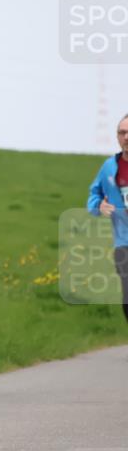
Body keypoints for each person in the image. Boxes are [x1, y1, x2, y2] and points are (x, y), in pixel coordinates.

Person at [86, 113, 128, 323]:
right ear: (117, 137)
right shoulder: (109, 167)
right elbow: (94, 193)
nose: (126, 137)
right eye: (122, 132)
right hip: (123, 242)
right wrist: (98, 205)